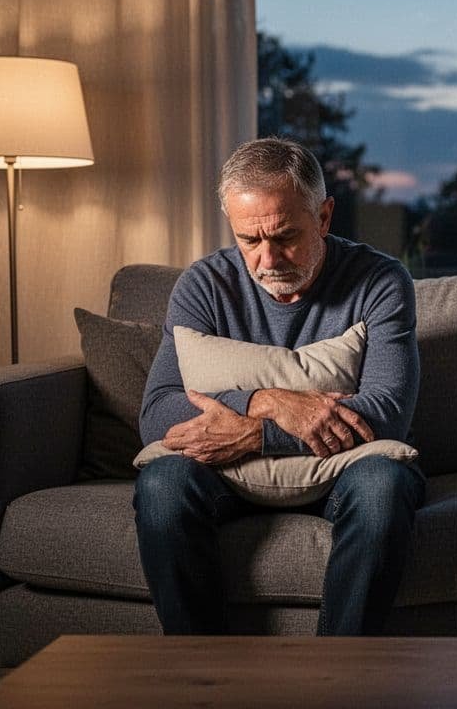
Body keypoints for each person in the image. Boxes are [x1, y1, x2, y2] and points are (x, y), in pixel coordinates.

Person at [134, 137, 423, 636]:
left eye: (286, 236)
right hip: (230, 475)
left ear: (325, 217)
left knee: (384, 485)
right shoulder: (203, 285)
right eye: (249, 240)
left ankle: (338, 683)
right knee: (161, 485)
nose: (268, 259)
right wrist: (268, 402)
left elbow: (387, 412)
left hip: (340, 471)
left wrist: (255, 434)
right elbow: (157, 413)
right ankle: (204, 680)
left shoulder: (380, 281)